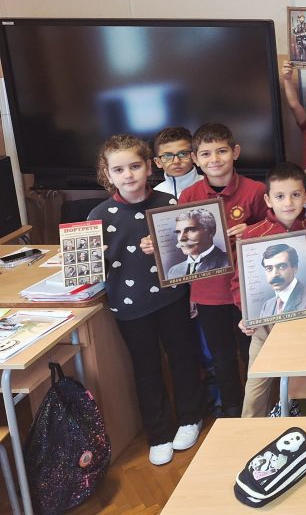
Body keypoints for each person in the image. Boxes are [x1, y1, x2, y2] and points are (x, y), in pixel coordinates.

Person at [89, 134, 203, 466]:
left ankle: (190, 417)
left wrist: (169, 248)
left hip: (172, 298)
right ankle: (159, 432)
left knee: (183, 358)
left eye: (135, 166)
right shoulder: (99, 215)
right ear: (108, 174)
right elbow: (91, 272)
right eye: (119, 170)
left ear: (149, 167)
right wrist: (93, 259)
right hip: (130, 306)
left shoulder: (169, 203)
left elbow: (194, 251)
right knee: (146, 368)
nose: (128, 175)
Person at [178, 122, 268, 419]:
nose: (214, 159)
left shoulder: (256, 191)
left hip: (249, 289)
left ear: (236, 152)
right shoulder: (189, 196)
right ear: (195, 158)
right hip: (208, 292)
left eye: (222, 151)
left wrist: (251, 230)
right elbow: (182, 248)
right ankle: (231, 407)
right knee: (221, 356)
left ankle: (260, 408)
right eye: (205, 154)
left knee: (253, 351)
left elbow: (273, 230)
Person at [234, 162, 306, 419]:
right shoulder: (252, 235)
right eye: (279, 196)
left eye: (295, 194)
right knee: (255, 389)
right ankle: (249, 433)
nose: (288, 202)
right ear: (268, 200)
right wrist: (246, 314)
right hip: (265, 326)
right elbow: (238, 283)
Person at [164, 208, 230, 279]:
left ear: (211, 232)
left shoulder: (228, 262)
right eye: (178, 232)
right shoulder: (174, 271)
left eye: (191, 230)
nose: (181, 238)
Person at [256, 244, 306, 317]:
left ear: (295, 268)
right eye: (269, 268)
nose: (274, 274)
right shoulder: (267, 306)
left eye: (281, 266)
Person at [152, 126, 203, 197]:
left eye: (183, 154)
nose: (176, 161)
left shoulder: (210, 187)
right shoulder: (155, 195)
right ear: (158, 162)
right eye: (167, 156)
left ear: (194, 157)